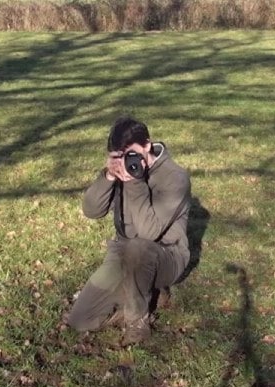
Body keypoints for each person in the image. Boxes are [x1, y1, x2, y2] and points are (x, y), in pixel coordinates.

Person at [67, 116, 191, 346]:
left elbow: (149, 232)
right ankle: (146, 294)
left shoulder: (175, 178)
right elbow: (92, 211)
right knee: (80, 320)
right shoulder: (121, 168)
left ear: (147, 146)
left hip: (167, 256)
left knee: (138, 248)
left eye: (131, 154)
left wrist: (135, 181)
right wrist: (109, 176)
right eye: (119, 157)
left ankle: (137, 321)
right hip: (124, 252)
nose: (126, 161)